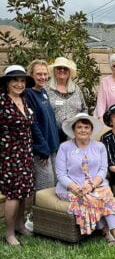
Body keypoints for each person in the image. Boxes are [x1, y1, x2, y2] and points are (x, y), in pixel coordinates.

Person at [55, 113, 115, 251]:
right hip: (69, 188)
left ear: (91, 130)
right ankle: (105, 230)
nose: (83, 130)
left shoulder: (99, 146)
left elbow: (103, 169)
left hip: (96, 184)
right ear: (74, 130)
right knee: (91, 198)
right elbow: (60, 174)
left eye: (86, 127)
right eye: (79, 127)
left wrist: (91, 185)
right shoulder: (64, 147)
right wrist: (77, 188)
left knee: (106, 196)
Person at [0, 65, 37, 246]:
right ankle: (9, 233)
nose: (19, 84)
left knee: (24, 193)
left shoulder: (24, 100)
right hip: (9, 156)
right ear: (7, 83)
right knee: (13, 194)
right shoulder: (2, 102)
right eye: (15, 80)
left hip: (25, 153)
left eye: (22, 81)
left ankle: (20, 225)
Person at [25, 60, 60, 190]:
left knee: (56, 181)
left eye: (45, 74)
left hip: (52, 146)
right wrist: (42, 148)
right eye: (39, 74)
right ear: (31, 75)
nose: (43, 77)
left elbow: (49, 119)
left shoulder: (43, 92)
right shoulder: (28, 94)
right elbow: (32, 124)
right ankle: (35, 210)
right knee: (45, 184)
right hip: (41, 150)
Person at [46, 57, 87, 142]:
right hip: (53, 135)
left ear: (69, 72)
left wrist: (82, 126)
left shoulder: (76, 89)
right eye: (59, 68)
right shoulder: (46, 89)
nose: (62, 70)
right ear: (54, 71)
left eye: (65, 68)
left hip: (74, 135)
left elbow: (84, 108)